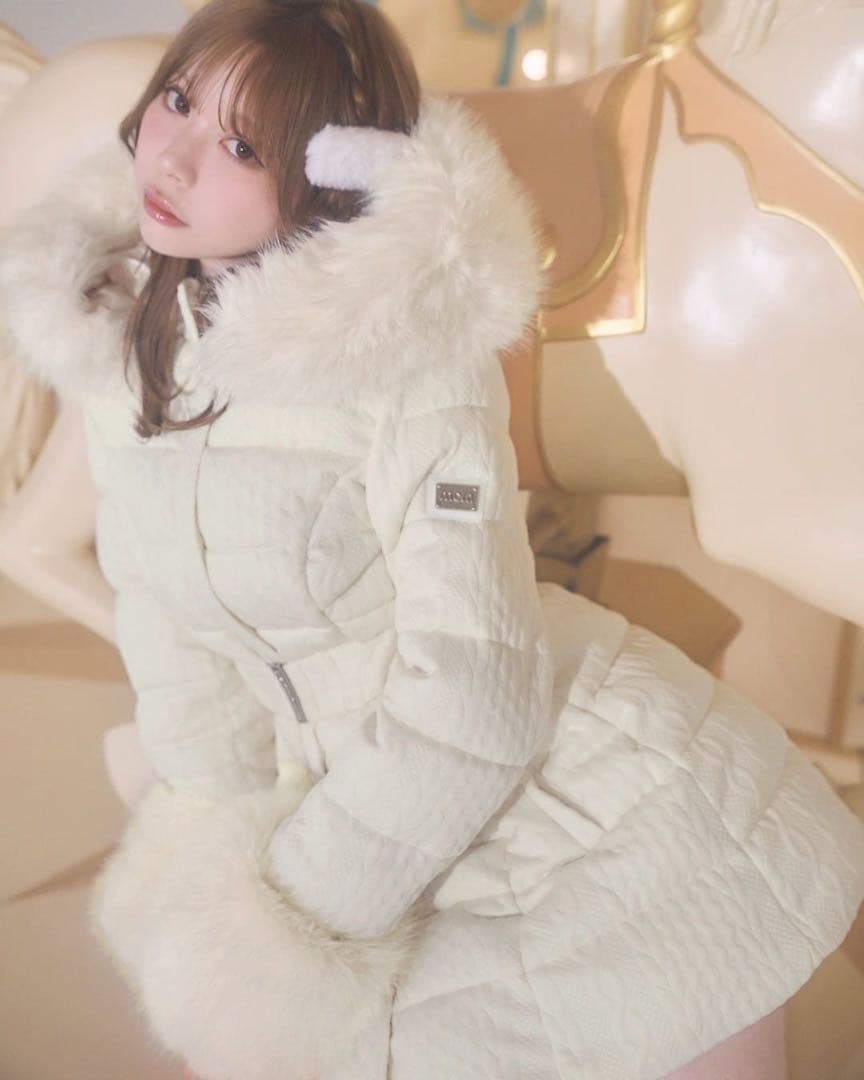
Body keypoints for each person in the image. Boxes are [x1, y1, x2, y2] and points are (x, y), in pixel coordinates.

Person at [1, 1, 862, 1078]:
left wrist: (295, 910)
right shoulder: (130, 345)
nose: (173, 158)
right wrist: (203, 838)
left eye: (242, 145)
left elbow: (476, 691)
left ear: (321, 173)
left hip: (596, 814)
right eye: (178, 98)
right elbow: (171, 632)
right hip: (367, 818)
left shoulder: (405, 360)